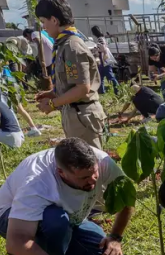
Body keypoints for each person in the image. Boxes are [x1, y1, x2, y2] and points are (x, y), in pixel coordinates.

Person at [0, 138, 132, 255]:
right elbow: (16, 241)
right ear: (61, 172)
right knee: (55, 221)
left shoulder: (101, 160)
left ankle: (40, 254)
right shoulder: (37, 184)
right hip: (12, 220)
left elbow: (126, 196)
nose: (92, 180)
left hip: (70, 217)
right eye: (84, 178)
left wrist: (115, 237)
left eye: (94, 173)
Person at [34, 0, 105, 149]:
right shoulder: (63, 44)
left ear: (54, 20)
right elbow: (71, 83)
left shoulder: (72, 46)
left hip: (82, 116)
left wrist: (53, 104)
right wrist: (53, 93)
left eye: (43, 21)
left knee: (91, 163)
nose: (43, 27)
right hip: (74, 113)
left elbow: (81, 88)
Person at [91, 25, 119, 94]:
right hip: (103, 60)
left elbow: (102, 48)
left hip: (104, 60)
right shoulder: (102, 38)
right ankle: (102, 91)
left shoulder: (100, 39)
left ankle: (117, 91)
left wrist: (96, 49)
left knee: (109, 77)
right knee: (101, 77)